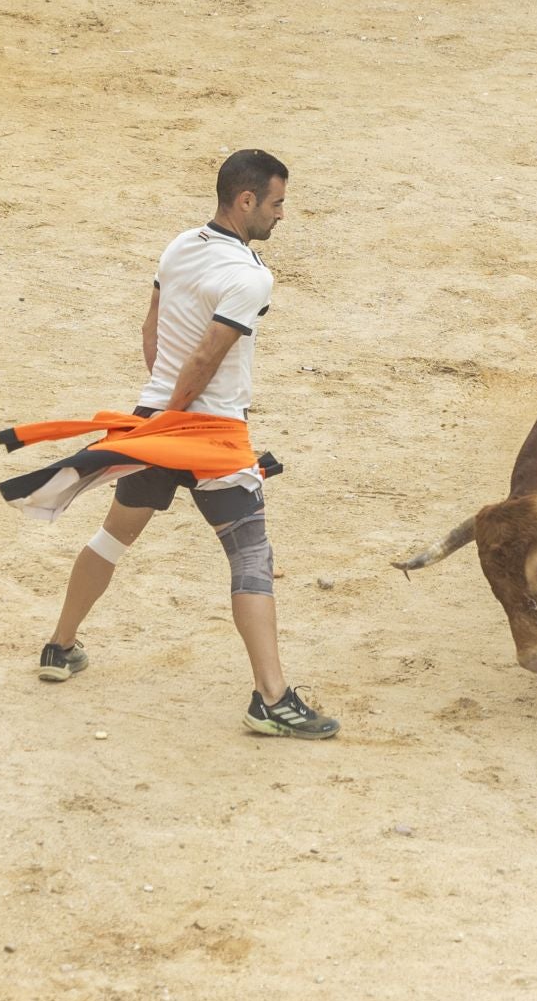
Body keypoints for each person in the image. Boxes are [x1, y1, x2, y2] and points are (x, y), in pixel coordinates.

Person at [33, 149, 337, 740]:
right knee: (250, 554)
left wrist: (155, 419)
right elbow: (206, 358)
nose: (282, 216)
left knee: (115, 533)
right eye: (276, 204)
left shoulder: (180, 246)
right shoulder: (250, 277)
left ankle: (59, 647)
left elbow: (152, 329)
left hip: (154, 415)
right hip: (208, 432)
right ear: (245, 201)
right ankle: (272, 700)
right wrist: (178, 425)